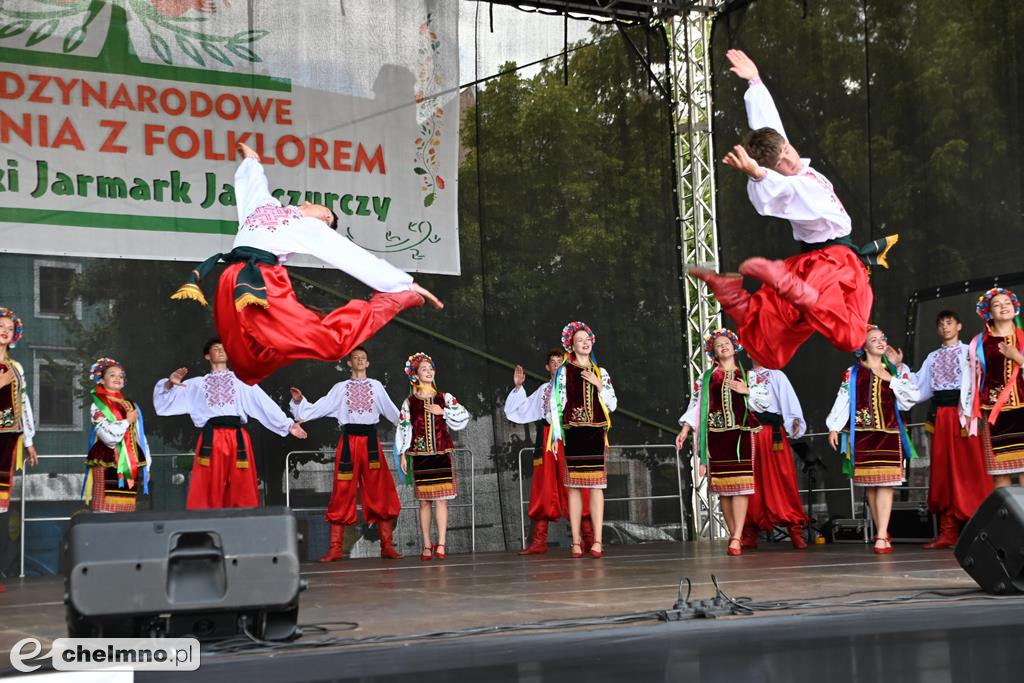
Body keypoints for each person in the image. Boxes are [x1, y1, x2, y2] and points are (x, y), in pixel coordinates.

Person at [689, 49, 897, 369]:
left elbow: (770, 128)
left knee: (770, 350)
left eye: (787, 150)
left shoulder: (790, 163)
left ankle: (732, 292)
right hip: (837, 265)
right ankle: (785, 285)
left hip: (802, 268)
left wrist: (755, 82)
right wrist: (758, 174)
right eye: (781, 163)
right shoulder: (793, 185)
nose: (791, 160)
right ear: (773, 170)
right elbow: (779, 189)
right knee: (852, 338)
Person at [171, 141, 442, 386]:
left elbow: (351, 256)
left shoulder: (308, 226)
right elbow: (254, 188)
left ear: (324, 219)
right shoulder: (268, 208)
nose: (311, 203)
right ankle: (294, 337)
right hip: (235, 279)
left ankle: (394, 300)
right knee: (246, 361)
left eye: (323, 210)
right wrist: (252, 161)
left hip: (262, 282)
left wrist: (405, 282)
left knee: (330, 345)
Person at [153, 338, 307, 510]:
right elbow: (163, 405)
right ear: (207, 355)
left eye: (223, 348)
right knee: (208, 484)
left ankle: (243, 526)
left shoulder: (241, 381)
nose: (220, 350)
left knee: (241, 485)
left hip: (237, 438)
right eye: (216, 348)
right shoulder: (196, 384)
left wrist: (288, 425)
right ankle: (205, 528)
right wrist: (168, 383)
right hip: (211, 439)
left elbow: (262, 403)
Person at [290, 346, 404, 561]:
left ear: (368, 363)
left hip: (371, 444)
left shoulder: (376, 386)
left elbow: (393, 413)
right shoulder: (340, 388)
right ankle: (335, 548)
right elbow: (319, 408)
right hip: (348, 445)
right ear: (349, 363)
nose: (360, 360)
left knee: (380, 490)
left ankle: (387, 545)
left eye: (363, 357)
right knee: (342, 490)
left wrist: (410, 428)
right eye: (355, 357)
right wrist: (299, 403)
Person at [826, 326, 920, 554]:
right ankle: (882, 531)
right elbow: (844, 399)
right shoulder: (853, 372)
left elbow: (912, 398)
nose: (879, 342)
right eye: (873, 339)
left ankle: (880, 535)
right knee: (871, 486)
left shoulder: (894, 371)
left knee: (887, 484)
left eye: (882, 338)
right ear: (863, 346)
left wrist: (893, 378)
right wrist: (834, 427)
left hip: (889, 434)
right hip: (863, 435)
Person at [677, 329, 762, 556]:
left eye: (726, 343)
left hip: (740, 435)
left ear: (735, 348)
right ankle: (735, 534)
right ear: (713, 352)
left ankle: (735, 536)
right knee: (724, 489)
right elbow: (696, 406)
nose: (723, 346)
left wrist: (747, 392)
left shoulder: (749, 376)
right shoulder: (706, 378)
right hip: (716, 436)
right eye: (718, 345)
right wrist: (685, 429)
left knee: (741, 487)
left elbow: (764, 403)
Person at [911, 311, 991, 548]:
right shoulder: (932, 357)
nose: (945, 327)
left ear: (959, 325)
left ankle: (981, 528)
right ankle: (948, 532)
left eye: (949, 322)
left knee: (971, 468)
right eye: (941, 324)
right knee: (944, 470)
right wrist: (896, 372)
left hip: (965, 415)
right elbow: (919, 387)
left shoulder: (971, 351)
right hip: (942, 418)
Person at [504, 349, 595, 555]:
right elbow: (520, 411)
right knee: (543, 486)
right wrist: (518, 387)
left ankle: (589, 538)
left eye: (559, 361)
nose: (556, 365)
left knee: (574, 484)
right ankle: (539, 541)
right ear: (547, 367)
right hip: (546, 439)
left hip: (569, 438)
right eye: (552, 362)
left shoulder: (574, 384)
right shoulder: (544, 389)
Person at [549, 322, 617, 559]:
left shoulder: (602, 372)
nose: (585, 342)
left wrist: (599, 386)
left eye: (587, 339)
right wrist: (557, 436)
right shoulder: (563, 372)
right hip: (574, 431)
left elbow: (612, 404)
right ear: (572, 345)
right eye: (579, 340)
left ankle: (597, 540)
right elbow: (555, 405)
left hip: (596, 431)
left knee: (597, 486)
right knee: (575, 486)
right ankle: (576, 540)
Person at [395, 353, 470, 561]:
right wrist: (402, 453)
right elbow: (404, 427)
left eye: (430, 368)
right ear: (416, 376)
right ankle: (427, 544)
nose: (428, 371)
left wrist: (442, 412)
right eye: (424, 369)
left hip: (441, 454)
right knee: (424, 502)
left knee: (442, 501)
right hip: (420, 456)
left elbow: (463, 417)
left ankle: (442, 543)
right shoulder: (409, 401)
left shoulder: (444, 398)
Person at [961, 288, 1024, 489]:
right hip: (993, 412)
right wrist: (967, 410)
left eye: (1007, 303)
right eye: (997, 304)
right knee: (999, 475)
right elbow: (969, 380)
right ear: (988, 312)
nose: (1003, 307)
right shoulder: (979, 343)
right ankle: (1006, 519)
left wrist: (1018, 358)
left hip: (1022, 409)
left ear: (1015, 308)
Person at [743, 363, 810, 549]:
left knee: (783, 479)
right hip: (750, 433)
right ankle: (750, 530)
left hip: (772, 435)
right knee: (750, 482)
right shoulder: (742, 374)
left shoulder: (776, 375)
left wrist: (795, 421)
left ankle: (795, 529)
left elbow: (789, 402)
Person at [85, 358, 150, 513]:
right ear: (101, 379)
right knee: (105, 511)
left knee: (126, 512)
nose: (118, 378)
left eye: (121, 376)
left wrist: (147, 465)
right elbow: (108, 438)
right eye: (112, 375)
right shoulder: (98, 405)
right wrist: (127, 421)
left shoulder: (131, 405)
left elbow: (139, 436)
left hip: (130, 461)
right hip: (107, 458)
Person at [0, 309, 38, 512]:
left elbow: (23, 403)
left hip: (7, 433)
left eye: (10, 328)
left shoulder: (16, 367)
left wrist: (29, 441)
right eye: (1, 326)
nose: (5, 330)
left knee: (1, 500)